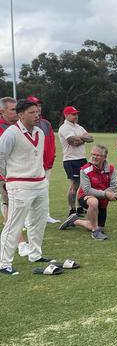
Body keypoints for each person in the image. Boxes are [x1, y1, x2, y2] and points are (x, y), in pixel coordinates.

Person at [0, 99, 52, 275]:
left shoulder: (40, 132)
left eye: (37, 111)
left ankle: (35, 254)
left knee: (38, 222)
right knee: (14, 224)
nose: (37, 115)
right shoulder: (11, 133)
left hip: (40, 183)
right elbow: (1, 156)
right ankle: (3, 263)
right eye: (32, 112)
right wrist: (8, 177)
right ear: (20, 115)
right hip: (20, 185)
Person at [59, 145, 117, 240]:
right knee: (93, 202)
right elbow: (87, 190)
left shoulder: (111, 169)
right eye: (93, 154)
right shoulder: (84, 169)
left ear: (104, 157)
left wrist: (109, 194)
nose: (94, 157)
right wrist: (106, 194)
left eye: (98, 155)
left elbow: (114, 187)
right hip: (85, 197)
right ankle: (95, 232)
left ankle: (75, 221)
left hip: (102, 201)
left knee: (100, 227)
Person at [0, 97, 30, 257]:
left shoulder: (19, 127)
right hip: (6, 176)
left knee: (12, 208)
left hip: (21, 175)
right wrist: (5, 176)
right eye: (12, 110)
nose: (16, 112)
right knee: (12, 208)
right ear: (2, 111)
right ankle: (20, 243)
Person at [27, 96, 59, 223]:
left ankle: (45, 215)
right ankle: (27, 219)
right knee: (29, 192)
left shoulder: (46, 123)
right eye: (35, 106)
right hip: (32, 165)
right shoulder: (25, 124)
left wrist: (51, 158)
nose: (38, 108)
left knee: (44, 191)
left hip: (46, 164)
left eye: (39, 106)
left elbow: (51, 142)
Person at [58, 105, 94, 216]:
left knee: (84, 184)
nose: (76, 116)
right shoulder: (64, 128)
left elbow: (90, 138)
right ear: (66, 115)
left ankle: (79, 208)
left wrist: (80, 138)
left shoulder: (78, 127)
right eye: (73, 114)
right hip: (71, 160)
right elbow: (72, 142)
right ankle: (72, 210)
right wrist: (83, 138)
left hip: (82, 159)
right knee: (74, 185)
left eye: (76, 114)